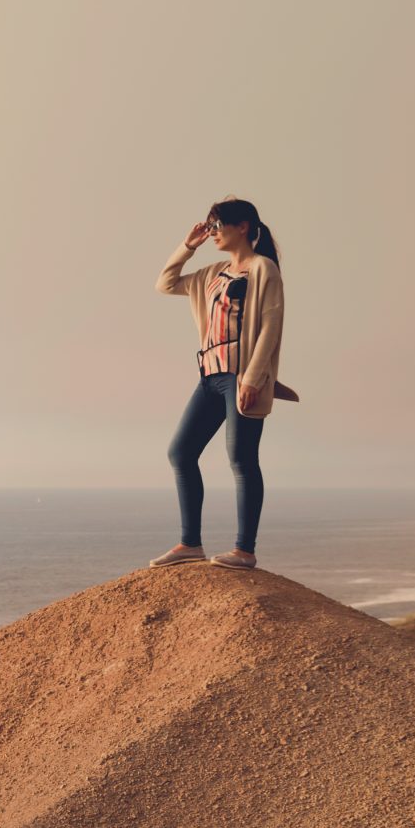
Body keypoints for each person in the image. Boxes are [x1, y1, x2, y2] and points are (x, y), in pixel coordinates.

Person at [148, 199, 294, 570]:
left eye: (217, 226)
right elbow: (165, 284)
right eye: (209, 227)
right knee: (180, 453)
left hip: (240, 376)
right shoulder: (212, 272)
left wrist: (253, 377)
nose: (212, 233)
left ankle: (244, 551)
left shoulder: (263, 270)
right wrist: (188, 246)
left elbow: (270, 328)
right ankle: (190, 544)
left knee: (242, 459)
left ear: (242, 226)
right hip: (210, 376)